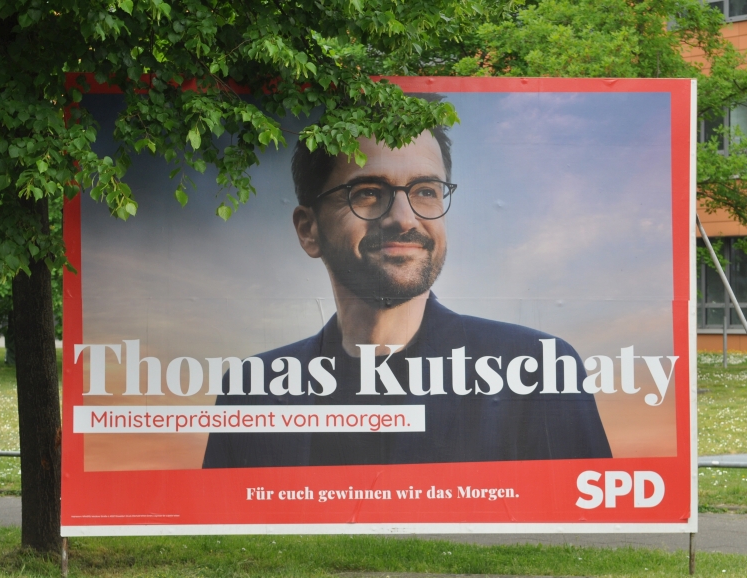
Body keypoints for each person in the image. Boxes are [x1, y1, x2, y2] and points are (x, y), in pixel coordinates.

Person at [202, 125, 611, 468]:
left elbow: (586, 534)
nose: (403, 219)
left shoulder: (538, 368)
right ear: (309, 230)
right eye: (366, 192)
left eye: (426, 191)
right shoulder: (251, 389)